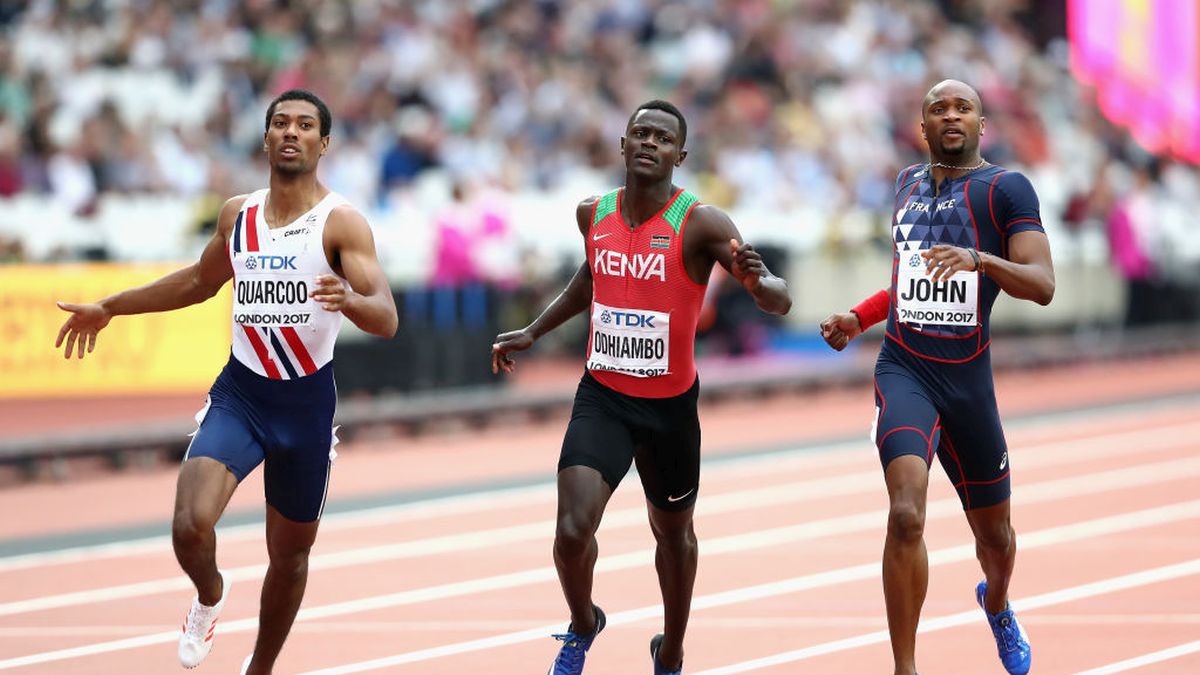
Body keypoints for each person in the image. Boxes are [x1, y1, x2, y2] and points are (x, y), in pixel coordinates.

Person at [54, 89, 398, 675]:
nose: (292, 132)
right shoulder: (238, 215)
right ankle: (210, 595)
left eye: (306, 125)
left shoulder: (341, 224)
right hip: (242, 395)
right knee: (189, 524)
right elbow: (195, 282)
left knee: (288, 560)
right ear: (265, 138)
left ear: (325, 143)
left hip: (305, 408)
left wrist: (351, 300)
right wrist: (110, 306)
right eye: (281, 123)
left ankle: (260, 667)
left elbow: (386, 317)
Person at [491, 99, 791, 675]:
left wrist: (765, 282)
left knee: (672, 534)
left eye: (662, 137)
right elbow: (591, 278)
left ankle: (672, 649)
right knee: (572, 530)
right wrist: (533, 330)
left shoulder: (701, 222)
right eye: (640, 133)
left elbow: (774, 298)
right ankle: (584, 623)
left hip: (671, 409)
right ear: (623, 146)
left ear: (680, 155)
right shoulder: (592, 213)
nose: (649, 143)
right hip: (603, 397)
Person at [820, 79, 1054, 675]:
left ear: (982, 124)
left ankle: (996, 602)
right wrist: (859, 316)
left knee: (996, 541)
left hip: (968, 383)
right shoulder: (904, 186)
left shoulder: (1005, 189)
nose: (951, 116)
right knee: (906, 514)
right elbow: (906, 281)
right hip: (904, 369)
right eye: (937, 109)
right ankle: (905, 668)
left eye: (963, 108)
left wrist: (981, 260)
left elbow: (1044, 285)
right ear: (921, 127)